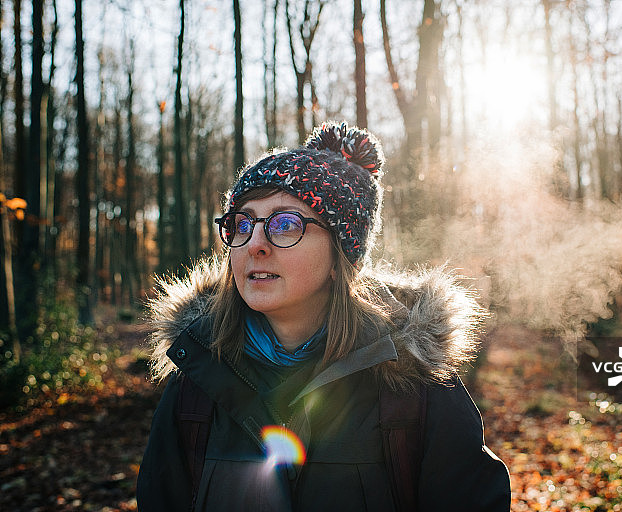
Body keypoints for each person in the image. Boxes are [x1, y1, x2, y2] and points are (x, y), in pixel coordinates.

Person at [136, 121, 510, 511]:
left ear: (340, 256)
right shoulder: (196, 379)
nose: (256, 245)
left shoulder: (413, 386)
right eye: (242, 224)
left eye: (285, 225)